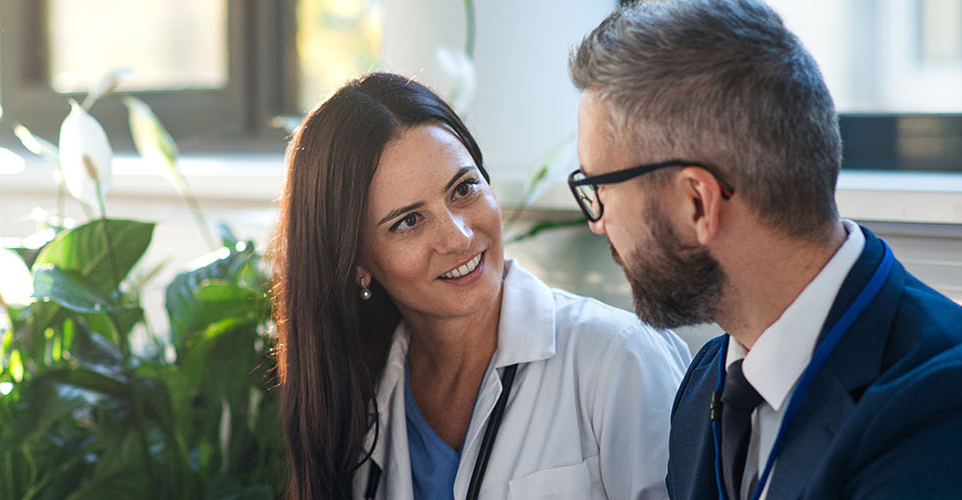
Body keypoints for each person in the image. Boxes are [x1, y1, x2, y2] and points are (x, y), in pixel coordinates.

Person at [566, 1, 962, 499]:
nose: (597, 223)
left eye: (600, 191)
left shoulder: (954, 412)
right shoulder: (707, 383)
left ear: (696, 202)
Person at [271, 72, 691, 500]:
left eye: (464, 188)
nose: (459, 237)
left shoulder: (619, 358)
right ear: (357, 261)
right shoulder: (359, 397)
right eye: (409, 221)